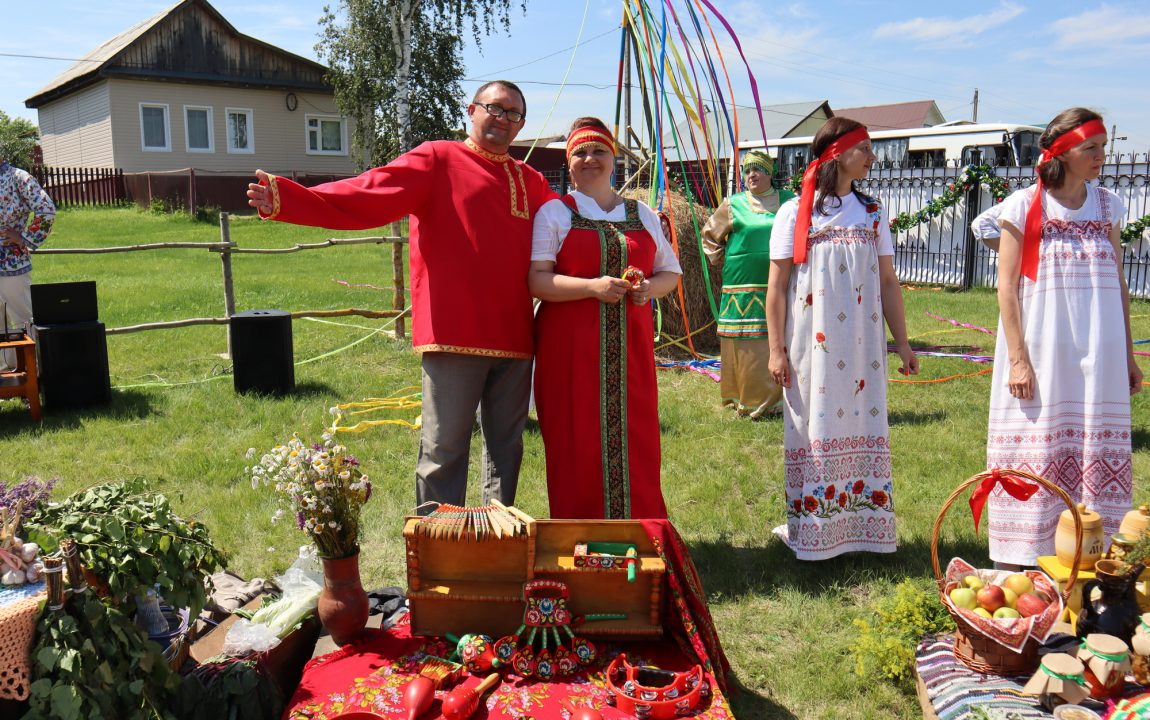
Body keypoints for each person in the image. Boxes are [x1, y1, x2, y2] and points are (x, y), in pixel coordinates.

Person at [246, 80, 556, 513]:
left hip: (516, 338)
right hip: (453, 334)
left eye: (514, 114)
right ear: (472, 109)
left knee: (506, 452)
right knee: (444, 451)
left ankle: (495, 545)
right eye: (495, 109)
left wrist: (631, 221)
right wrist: (290, 200)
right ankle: (435, 551)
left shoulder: (532, 181)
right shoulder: (437, 158)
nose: (503, 120)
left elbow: (571, 231)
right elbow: (367, 193)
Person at [985, 108, 1141, 568]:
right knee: (1037, 435)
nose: (1101, 156)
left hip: (1100, 347)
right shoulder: (1023, 206)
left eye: (1103, 147)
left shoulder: (1110, 205)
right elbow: (1007, 287)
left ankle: (1090, 552)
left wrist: (1128, 356)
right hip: (1042, 346)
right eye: (1091, 147)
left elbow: (1118, 280)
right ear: (1063, 152)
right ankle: (1023, 554)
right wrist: (1018, 358)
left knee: (1095, 435)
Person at [765, 117, 919, 561]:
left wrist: (902, 343)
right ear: (836, 154)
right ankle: (813, 529)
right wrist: (777, 349)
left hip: (863, 344)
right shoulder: (796, 212)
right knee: (812, 424)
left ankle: (859, 527)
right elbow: (775, 287)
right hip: (812, 341)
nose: (872, 157)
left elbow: (888, 282)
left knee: (860, 421)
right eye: (864, 149)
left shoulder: (872, 212)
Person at [529, 118, 682, 519]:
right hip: (569, 350)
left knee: (636, 438)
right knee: (575, 440)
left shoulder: (642, 213)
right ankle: (578, 534)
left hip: (630, 351)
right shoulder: (555, 213)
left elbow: (671, 273)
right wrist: (591, 287)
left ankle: (639, 530)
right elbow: (538, 281)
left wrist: (649, 288)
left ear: (613, 158)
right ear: (569, 161)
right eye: (579, 152)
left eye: (598, 150)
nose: (589, 159)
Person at [702, 150, 794, 418]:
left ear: (769, 172)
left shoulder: (789, 202)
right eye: (746, 170)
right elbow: (709, 236)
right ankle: (747, 399)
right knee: (747, 341)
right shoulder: (734, 204)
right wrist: (722, 260)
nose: (751, 175)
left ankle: (782, 400)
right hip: (743, 283)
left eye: (757, 169)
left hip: (784, 282)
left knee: (782, 335)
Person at [0, 158, 55, 370]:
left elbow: (46, 209)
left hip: (13, 264)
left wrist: (24, 238)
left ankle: (37, 375)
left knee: (23, 320)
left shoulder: (18, 178)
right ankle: (8, 378)